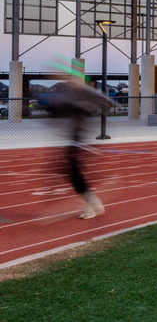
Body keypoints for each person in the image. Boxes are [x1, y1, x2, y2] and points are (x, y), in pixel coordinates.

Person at [43, 60, 109, 219]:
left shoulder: (85, 91)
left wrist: (84, 108)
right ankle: (93, 202)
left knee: (74, 173)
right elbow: (62, 110)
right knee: (70, 172)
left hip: (80, 140)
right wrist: (53, 111)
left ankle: (93, 204)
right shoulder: (70, 93)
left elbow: (107, 102)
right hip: (72, 139)